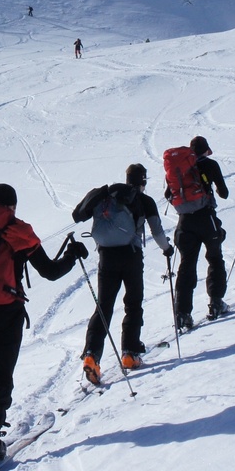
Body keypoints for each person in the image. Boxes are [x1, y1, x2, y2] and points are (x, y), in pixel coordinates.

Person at [0, 183, 88, 465]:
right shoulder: (17, 230)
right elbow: (50, 272)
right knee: (0, 374)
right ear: (12, 206)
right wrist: (72, 255)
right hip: (7, 310)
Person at [72, 164, 173, 383]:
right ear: (143, 181)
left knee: (103, 306)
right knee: (133, 303)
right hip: (131, 255)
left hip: (106, 256)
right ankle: (129, 354)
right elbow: (157, 232)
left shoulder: (106, 197)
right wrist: (167, 249)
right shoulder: (144, 201)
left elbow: (78, 214)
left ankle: (91, 355)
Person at [165, 136, 230, 330]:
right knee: (215, 258)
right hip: (206, 217)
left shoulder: (179, 168)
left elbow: (168, 194)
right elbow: (224, 193)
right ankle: (216, 302)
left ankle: (182, 312)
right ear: (206, 150)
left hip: (185, 222)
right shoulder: (210, 165)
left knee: (187, 265)